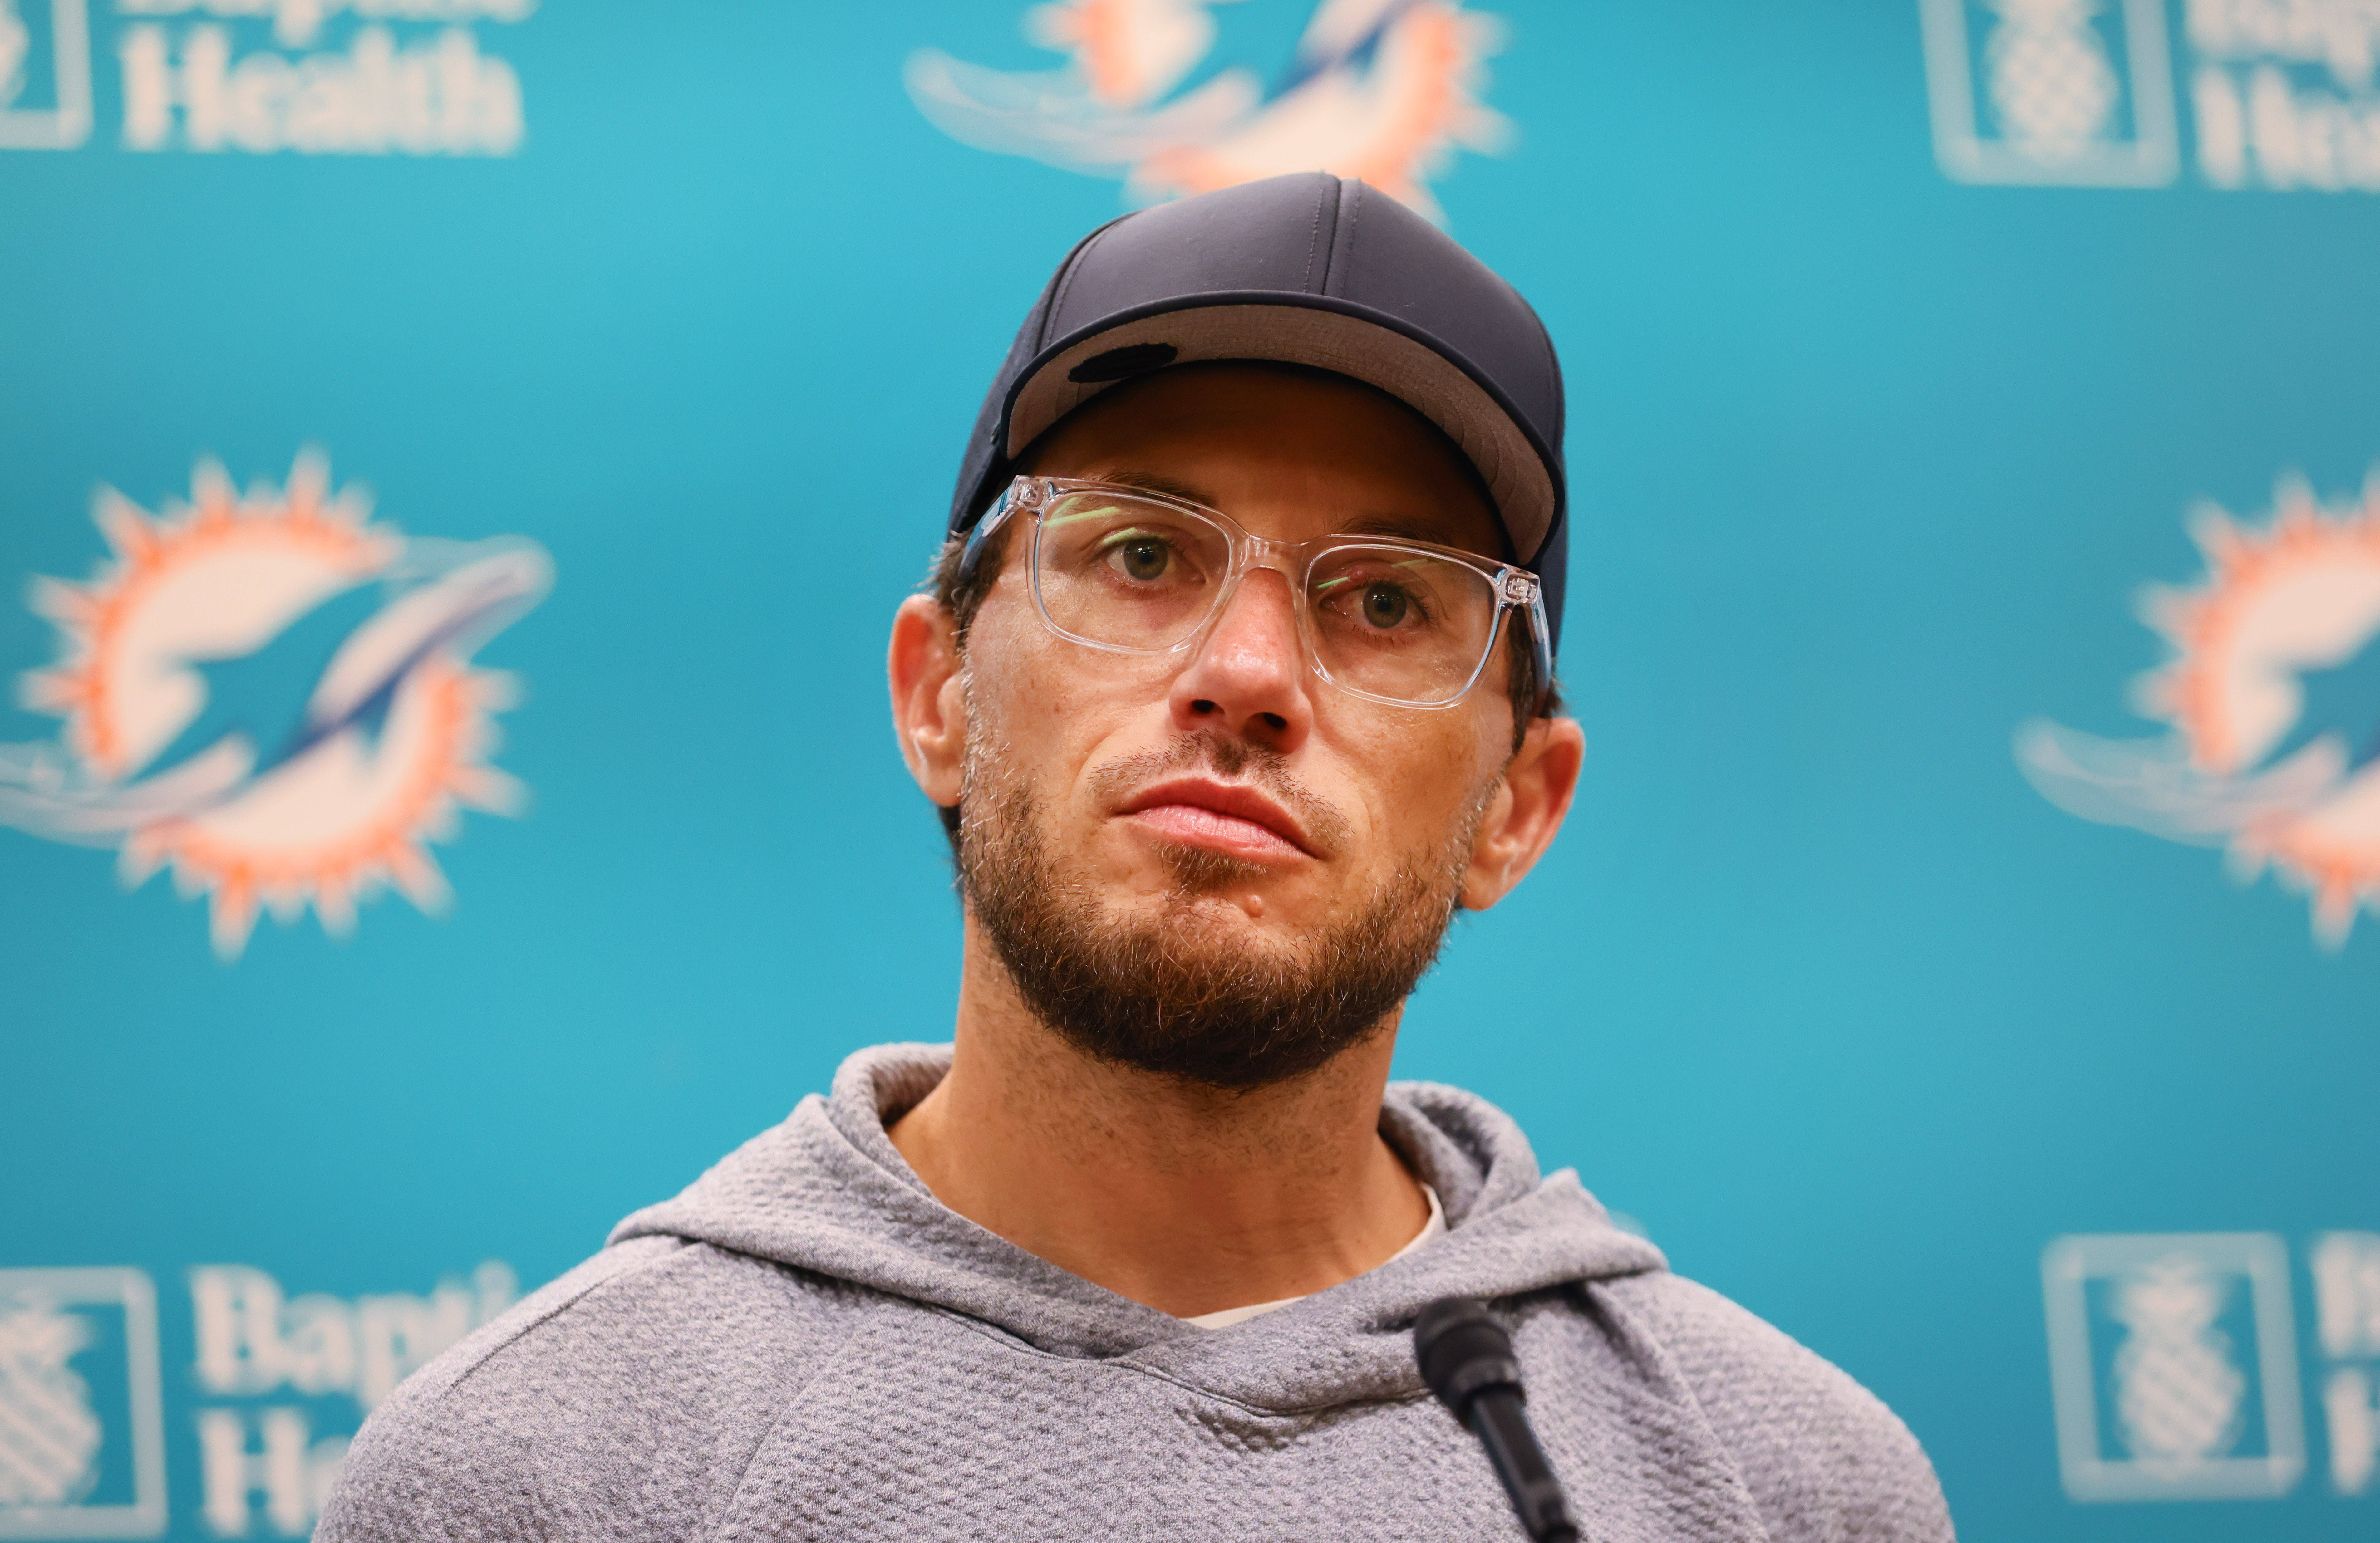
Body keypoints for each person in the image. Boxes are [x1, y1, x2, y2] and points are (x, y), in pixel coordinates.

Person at [320, 173, 1953, 1542]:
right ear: (939, 692)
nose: (1247, 673)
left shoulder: (1785, 1486)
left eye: (1386, 600)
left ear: (1518, 807)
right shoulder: (548, 1473)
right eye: (1145, 552)